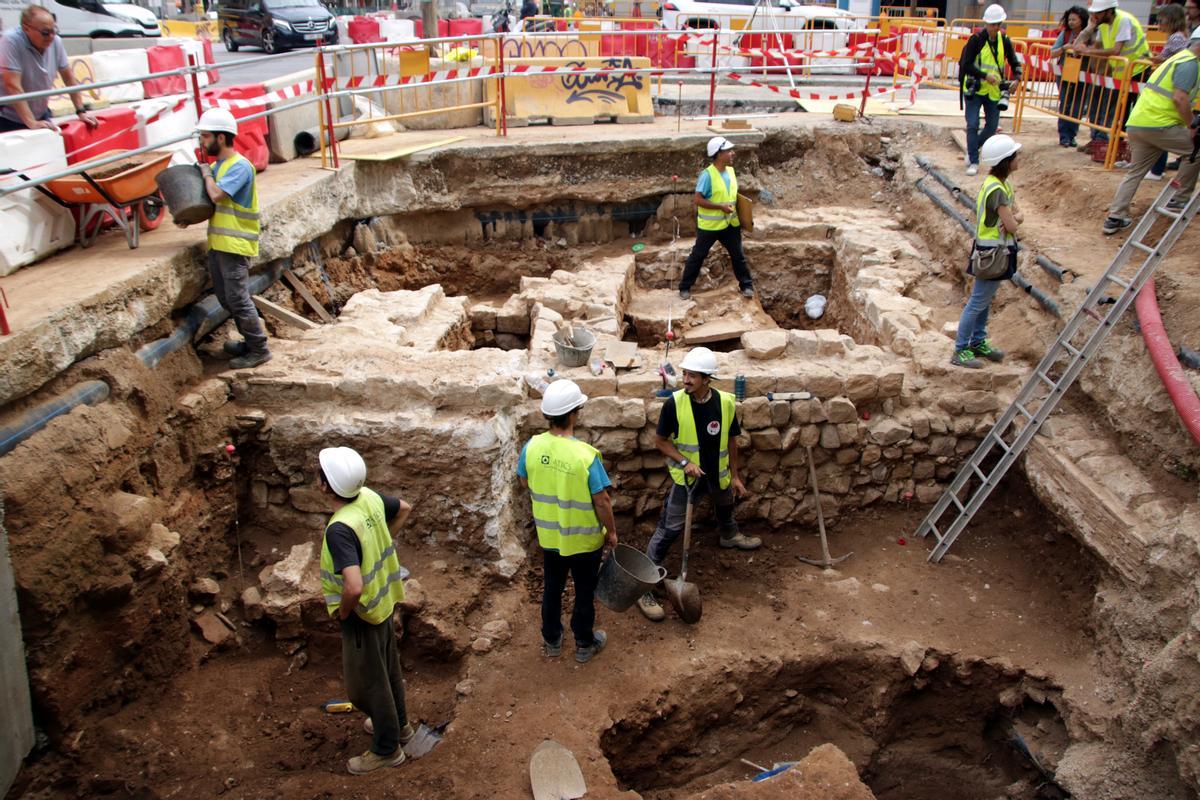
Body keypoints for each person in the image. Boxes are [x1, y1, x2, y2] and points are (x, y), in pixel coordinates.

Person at [638, 346, 759, 623]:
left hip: (717, 474)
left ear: (707, 379)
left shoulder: (726, 402)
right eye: (685, 374)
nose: (686, 379)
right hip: (687, 479)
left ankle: (729, 535)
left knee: (725, 504)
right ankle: (645, 580)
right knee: (670, 527)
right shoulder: (675, 403)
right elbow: (660, 441)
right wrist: (684, 462)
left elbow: (731, 440)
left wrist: (735, 475)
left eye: (692, 375)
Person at [317, 446, 415, 776]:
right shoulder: (369, 498)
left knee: (368, 685)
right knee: (388, 669)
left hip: (363, 612)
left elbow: (353, 586)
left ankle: (387, 750)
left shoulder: (341, 529)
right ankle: (400, 727)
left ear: (325, 486)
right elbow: (403, 508)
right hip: (385, 599)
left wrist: (345, 612)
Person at [517, 380, 617, 664]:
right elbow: (602, 500)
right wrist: (611, 531)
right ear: (575, 414)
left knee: (552, 586)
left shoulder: (532, 446)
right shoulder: (585, 455)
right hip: (584, 541)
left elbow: (525, 481)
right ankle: (584, 643)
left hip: (550, 537)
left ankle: (552, 640)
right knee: (584, 590)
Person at [192, 107, 271, 369]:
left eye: (205, 137)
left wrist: (204, 174)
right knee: (227, 298)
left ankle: (258, 348)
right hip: (219, 243)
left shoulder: (239, 167)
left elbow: (216, 195)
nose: (203, 143)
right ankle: (249, 343)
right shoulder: (219, 166)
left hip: (235, 244)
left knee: (237, 298)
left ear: (221, 138)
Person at [1102, 27, 1200, 235]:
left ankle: (1115, 217)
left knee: (1135, 172)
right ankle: (1180, 199)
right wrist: (1192, 125)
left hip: (1140, 122)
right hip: (1160, 123)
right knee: (1195, 150)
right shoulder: (1189, 64)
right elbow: (1179, 98)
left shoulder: (1177, 59)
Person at [952, 135, 1023, 369]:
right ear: (1006, 160)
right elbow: (1012, 224)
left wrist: (1015, 218)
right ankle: (961, 349)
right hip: (993, 253)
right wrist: (1015, 220)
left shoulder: (998, 184)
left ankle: (978, 341)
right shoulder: (998, 190)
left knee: (985, 300)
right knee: (977, 302)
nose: (1018, 159)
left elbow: (1016, 214)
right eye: (1015, 156)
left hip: (993, 251)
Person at [678, 136, 755, 301]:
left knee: (738, 255)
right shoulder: (707, 175)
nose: (733, 153)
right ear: (719, 154)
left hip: (730, 223)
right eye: (729, 151)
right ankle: (685, 287)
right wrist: (720, 207)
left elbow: (733, 196)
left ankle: (746, 285)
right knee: (698, 255)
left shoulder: (731, 172)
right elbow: (697, 200)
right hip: (710, 226)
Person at [0, 5, 98, 133]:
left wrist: (81, 111)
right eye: (45, 33)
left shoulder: (55, 41)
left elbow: (68, 77)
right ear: (26, 28)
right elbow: (12, 85)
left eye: (54, 31)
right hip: (8, 118)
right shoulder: (10, 41)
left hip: (40, 113)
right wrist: (31, 122)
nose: (51, 36)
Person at [1072, 0, 1151, 156]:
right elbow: (1093, 46)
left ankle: (1130, 149)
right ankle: (1115, 147)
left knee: (1132, 114)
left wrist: (1086, 51)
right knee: (1119, 113)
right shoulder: (1103, 25)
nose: (1094, 16)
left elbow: (1115, 50)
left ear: (1109, 11)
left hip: (1139, 70)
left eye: (1098, 13)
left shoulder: (1123, 20)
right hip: (1122, 73)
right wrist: (1089, 29)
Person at [958, 4, 1022, 176]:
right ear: (986, 24)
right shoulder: (976, 40)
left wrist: (1017, 78)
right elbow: (966, 64)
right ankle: (973, 160)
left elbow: (1015, 62)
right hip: (975, 89)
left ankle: (973, 148)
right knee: (972, 125)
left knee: (991, 126)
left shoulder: (1004, 41)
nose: (995, 28)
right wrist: (984, 76)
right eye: (992, 24)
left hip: (993, 93)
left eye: (998, 24)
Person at [1145, 3, 1190, 179]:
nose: (1158, 23)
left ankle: (1157, 170)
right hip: (1170, 91)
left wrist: (1154, 60)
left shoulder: (1177, 39)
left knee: (1161, 130)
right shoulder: (1177, 37)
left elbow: (1180, 60)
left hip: (1170, 92)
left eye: (1161, 19)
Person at [1050, 6, 1092, 147]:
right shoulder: (1065, 34)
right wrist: (1064, 48)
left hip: (1083, 76)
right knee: (1065, 104)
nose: (1071, 22)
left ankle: (1072, 135)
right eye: (1069, 19)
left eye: (1074, 19)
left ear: (1082, 20)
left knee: (1077, 107)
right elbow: (1052, 52)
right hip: (1065, 74)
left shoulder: (1091, 35)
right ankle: (1064, 137)